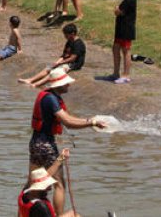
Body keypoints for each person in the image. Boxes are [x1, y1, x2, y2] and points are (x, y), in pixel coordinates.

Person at [28, 68, 106, 215]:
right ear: (58, 85)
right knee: (59, 184)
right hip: (46, 145)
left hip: (35, 143)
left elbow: (68, 118)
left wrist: (89, 120)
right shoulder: (51, 99)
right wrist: (92, 123)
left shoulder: (47, 96)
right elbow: (68, 121)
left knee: (33, 183)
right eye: (66, 83)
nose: (68, 85)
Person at [20, 24, 86, 87]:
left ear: (72, 33)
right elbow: (64, 55)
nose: (65, 36)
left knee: (54, 72)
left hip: (74, 64)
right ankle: (30, 80)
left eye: (66, 35)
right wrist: (57, 62)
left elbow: (73, 58)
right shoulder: (69, 41)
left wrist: (60, 63)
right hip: (66, 62)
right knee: (48, 68)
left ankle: (36, 84)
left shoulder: (78, 44)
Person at [108, 0, 137, 83]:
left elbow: (119, 12)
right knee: (115, 48)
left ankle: (126, 75)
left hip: (126, 29)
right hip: (120, 28)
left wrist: (116, 9)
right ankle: (116, 73)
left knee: (126, 51)